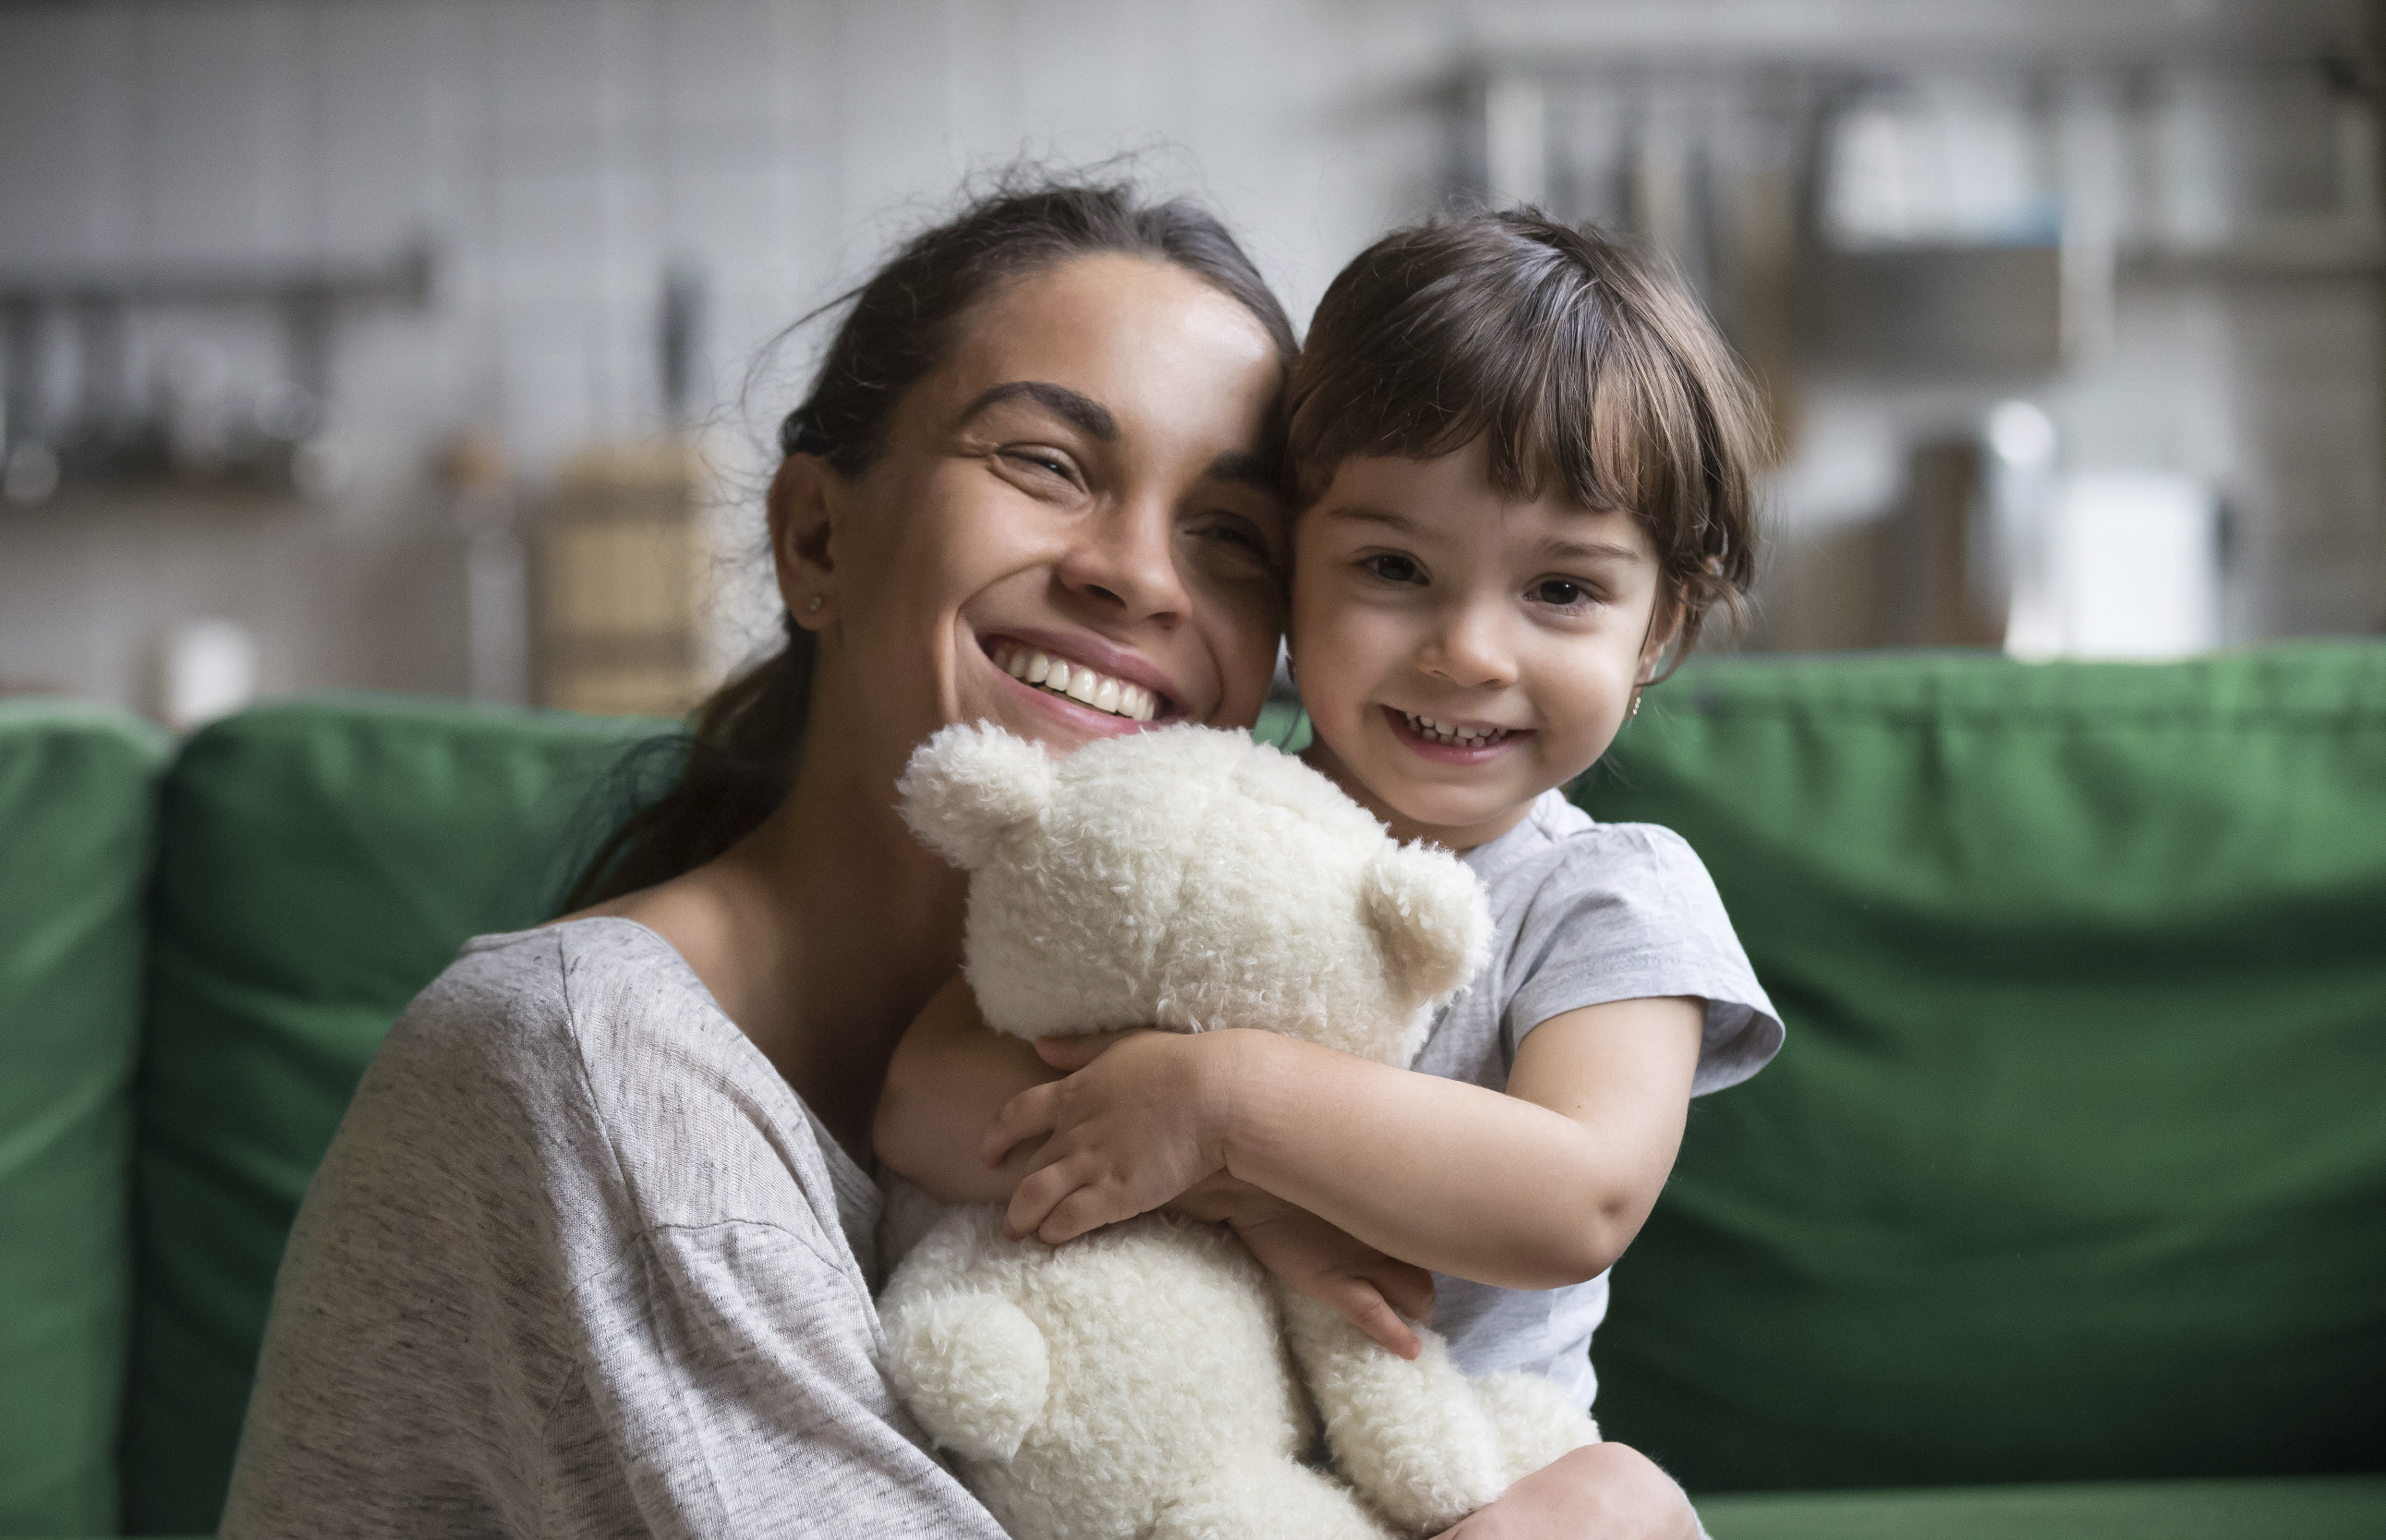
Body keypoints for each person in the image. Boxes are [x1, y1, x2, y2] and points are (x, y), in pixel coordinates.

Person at [219, 181, 1702, 1538]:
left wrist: (1247, 1180)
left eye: (1231, 532)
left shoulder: (1235, 969)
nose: (1135, 570)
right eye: (1048, 462)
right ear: (815, 537)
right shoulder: (586, 1069)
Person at [876, 210, 1783, 1520]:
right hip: (1199, 1463)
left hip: (1473, 1471)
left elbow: (1573, 1196)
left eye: (1565, 592)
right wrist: (1252, 1206)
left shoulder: (1607, 893)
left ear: (1661, 629)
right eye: (1393, 567)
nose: (1469, 651)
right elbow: (924, 1097)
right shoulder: (1188, 821)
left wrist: (1228, 1110)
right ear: (1292, 565)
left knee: (1613, 1502)